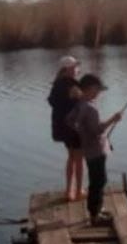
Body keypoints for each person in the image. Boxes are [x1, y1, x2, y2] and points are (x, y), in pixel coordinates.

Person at [67, 73, 122, 226]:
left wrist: (81, 131)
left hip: (89, 150)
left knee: (96, 180)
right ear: (90, 88)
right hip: (96, 151)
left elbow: (70, 121)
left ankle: (96, 209)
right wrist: (114, 119)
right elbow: (97, 130)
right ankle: (95, 216)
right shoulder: (90, 108)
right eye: (97, 89)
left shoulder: (80, 104)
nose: (99, 93)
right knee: (99, 181)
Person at [47, 55, 84, 201]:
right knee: (79, 159)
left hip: (62, 128)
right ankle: (79, 191)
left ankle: (69, 191)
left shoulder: (56, 84)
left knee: (71, 157)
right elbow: (83, 102)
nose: (77, 69)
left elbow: (55, 103)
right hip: (74, 128)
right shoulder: (72, 85)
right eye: (74, 67)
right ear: (68, 69)